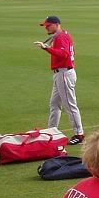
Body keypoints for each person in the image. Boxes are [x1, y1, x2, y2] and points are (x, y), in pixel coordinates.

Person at [35, 16, 85, 145]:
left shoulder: (61, 37)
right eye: (45, 25)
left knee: (69, 104)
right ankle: (51, 131)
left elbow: (64, 54)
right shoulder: (62, 35)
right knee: (54, 104)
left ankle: (79, 134)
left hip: (64, 73)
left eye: (48, 25)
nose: (46, 27)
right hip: (61, 73)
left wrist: (46, 48)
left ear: (57, 24)